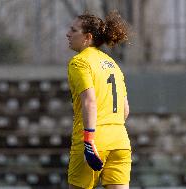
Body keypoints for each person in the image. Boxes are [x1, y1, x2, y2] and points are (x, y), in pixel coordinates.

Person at [66, 11, 132, 189]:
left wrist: (89, 140)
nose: (68, 34)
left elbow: (89, 101)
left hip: (94, 140)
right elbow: (125, 110)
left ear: (87, 37)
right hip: (120, 141)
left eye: (73, 30)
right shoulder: (112, 64)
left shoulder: (79, 62)